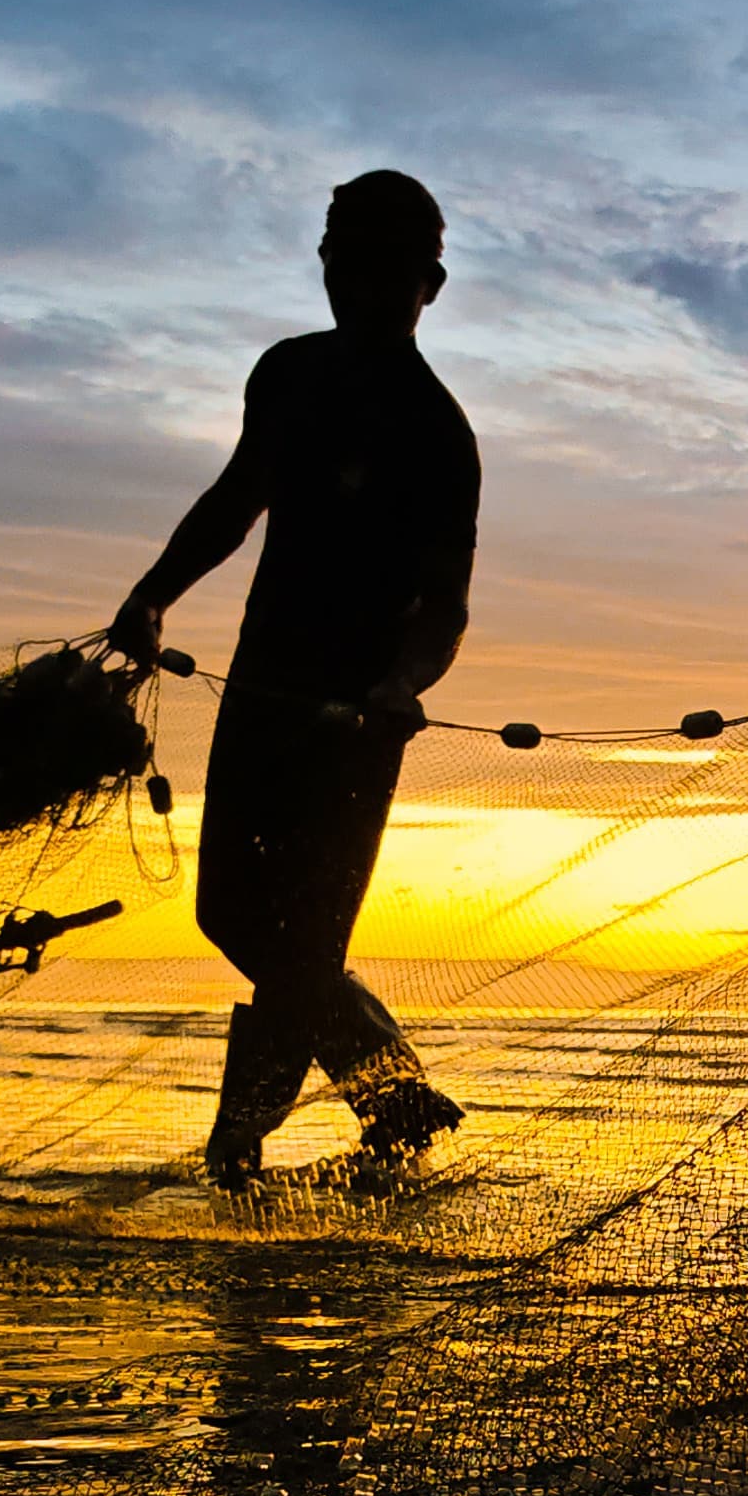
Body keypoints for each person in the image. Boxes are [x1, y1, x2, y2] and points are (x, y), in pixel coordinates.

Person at [107, 172, 479, 1188]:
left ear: (428, 285)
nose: (355, 284)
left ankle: (239, 1154)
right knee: (230, 914)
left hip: (358, 721)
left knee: (307, 938)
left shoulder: (437, 434)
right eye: (339, 260)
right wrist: (153, 593)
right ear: (323, 265)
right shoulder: (288, 376)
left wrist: (402, 684)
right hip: (266, 690)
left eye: (383, 269)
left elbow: (444, 609)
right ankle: (395, 1101)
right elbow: (236, 501)